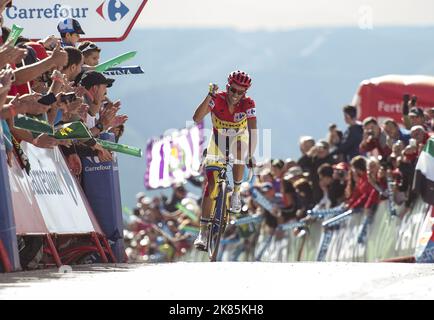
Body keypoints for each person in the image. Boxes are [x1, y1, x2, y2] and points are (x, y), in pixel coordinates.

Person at [192, 70, 257, 251]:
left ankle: (236, 193)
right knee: (212, 184)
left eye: (240, 92)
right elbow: (197, 118)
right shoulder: (217, 99)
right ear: (227, 87)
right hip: (218, 141)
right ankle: (203, 233)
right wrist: (209, 95)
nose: (235, 95)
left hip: (238, 139)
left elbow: (253, 130)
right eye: (233, 90)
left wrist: (251, 154)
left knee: (240, 150)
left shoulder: (248, 104)